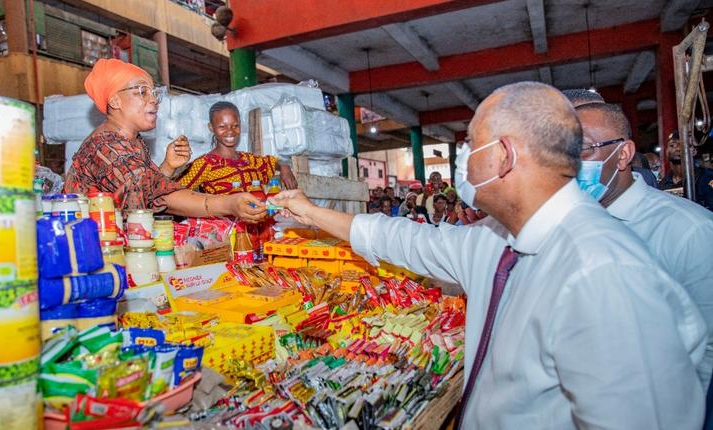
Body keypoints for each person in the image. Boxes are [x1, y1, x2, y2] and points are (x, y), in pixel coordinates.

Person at [273, 82, 706, 429]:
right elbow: (406, 241)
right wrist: (311, 212)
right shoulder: (495, 239)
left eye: (470, 146)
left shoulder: (602, 272)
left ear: (503, 156)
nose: (463, 162)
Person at [575, 101, 713, 391]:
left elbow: (707, 354)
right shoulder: (569, 225)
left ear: (623, 154)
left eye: (584, 148)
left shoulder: (688, 231)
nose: (570, 163)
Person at [65, 59, 264, 222]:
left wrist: (167, 167)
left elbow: (142, 192)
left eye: (154, 92)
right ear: (115, 101)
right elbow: (163, 197)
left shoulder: (131, 141)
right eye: (142, 92)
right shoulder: (106, 147)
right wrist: (228, 204)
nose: (153, 100)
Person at [178, 101, 297, 194]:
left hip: (258, 223)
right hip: (225, 225)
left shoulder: (248, 159)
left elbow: (274, 161)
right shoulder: (204, 164)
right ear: (211, 127)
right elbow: (176, 192)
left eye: (235, 126)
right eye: (222, 127)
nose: (230, 132)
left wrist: (284, 168)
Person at [659, 131, 713, 210]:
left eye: (683, 145)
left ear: (694, 151)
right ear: (666, 151)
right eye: (672, 145)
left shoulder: (707, 177)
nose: (677, 148)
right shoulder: (664, 183)